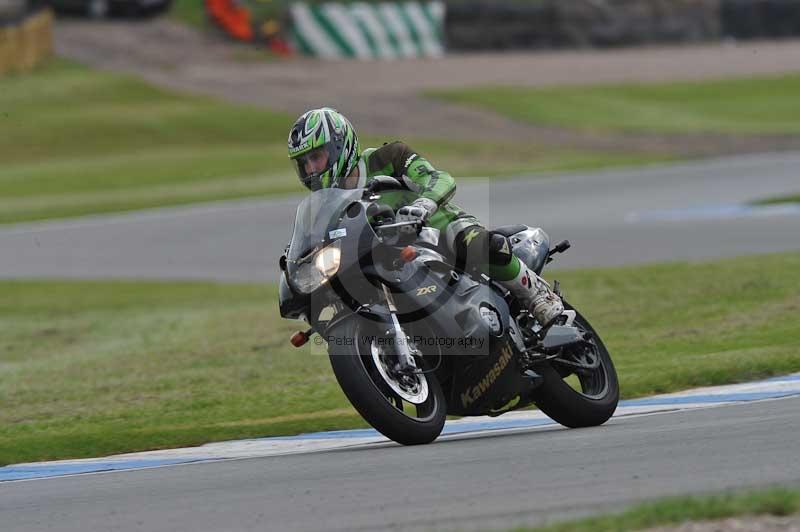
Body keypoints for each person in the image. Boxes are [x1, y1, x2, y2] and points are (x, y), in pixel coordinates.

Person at [287, 107, 564, 326]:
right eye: (304, 163)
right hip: (387, 259)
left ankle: (536, 293)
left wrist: (423, 205)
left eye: (317, 157)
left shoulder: (387, 157)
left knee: (476, 244)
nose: (311, 168)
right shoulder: (324, 207)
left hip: (435, 229)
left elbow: (439, 179)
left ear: (338, 146)